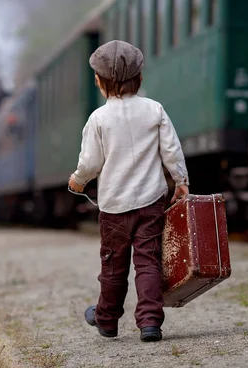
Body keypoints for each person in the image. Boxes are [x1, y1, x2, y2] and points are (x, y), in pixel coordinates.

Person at [68, 40, 189, 342]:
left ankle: (106, 320)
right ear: (141, 78)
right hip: (151, 202)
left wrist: (78, 181)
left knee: (113, 265)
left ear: (98, 81)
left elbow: (90, 162)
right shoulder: (154, 110)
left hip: (113, 208)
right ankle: (150, 323)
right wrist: (181, 180)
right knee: (148, 261)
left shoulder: (98, 118)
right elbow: (171, 150)